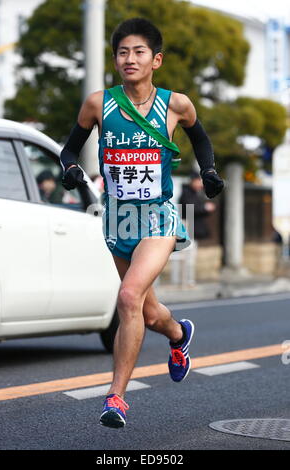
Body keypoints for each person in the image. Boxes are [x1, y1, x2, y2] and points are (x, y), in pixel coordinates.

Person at [60, 18, 224, 428]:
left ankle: (115, 398)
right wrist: (69, 171)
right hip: (117, 221)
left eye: (138, 52)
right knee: (149, 315)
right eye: (122, 52)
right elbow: (69, 150)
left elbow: (199, 138)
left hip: (159, 218)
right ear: (115, 60)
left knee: (129, 297)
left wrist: (208, 172)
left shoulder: (176, 104)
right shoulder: (99, 104)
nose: (129, 59)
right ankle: (178, 335)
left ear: (156, 60)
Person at [179, 170, 216, 284]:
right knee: (188, 255)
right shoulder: (187, 194)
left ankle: (189, 279)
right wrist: (205, 208)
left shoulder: (195, 194)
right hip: (188, 228)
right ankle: (186, 280)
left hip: (192, 228)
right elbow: (191, 209)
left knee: (191, 255)